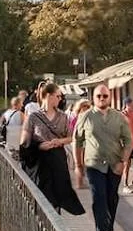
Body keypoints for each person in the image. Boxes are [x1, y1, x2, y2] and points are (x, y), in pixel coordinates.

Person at [74, 84, 132, 231]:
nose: (101, 99)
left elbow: (128, 141)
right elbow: (77, 141)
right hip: (94, 163)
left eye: (105, 96)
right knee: (98, 196)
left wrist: (123, 161)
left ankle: (107, 225)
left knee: (111, 197)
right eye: (98, 96)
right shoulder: (85, 117)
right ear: (93, 98)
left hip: (115, 163)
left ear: (110, 97)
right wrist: (78, 165)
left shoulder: (119, 117)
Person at [22, 82, 85, 217]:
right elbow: (25, 142)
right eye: (58, 96)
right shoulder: (33, 117)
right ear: (48, 96)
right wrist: (40, 146)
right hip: (41, 161)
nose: (60, 99)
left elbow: (70, 137)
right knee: (43, 194)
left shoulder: (63, 116)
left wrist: (59, 142)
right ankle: (41, 221)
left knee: (58, 194)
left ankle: (55, 220)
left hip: (58, 160)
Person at [68, 98, 93, 189]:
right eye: (84, 106)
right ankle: (79, 183)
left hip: (87, 142)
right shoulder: (75, 118)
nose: (86, 108)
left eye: (88, 106)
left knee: (86, 163)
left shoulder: (91, 118)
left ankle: (84, 181)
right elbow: (70, 131)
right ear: (79, 107)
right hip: (76, 141)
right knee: (78, 163)